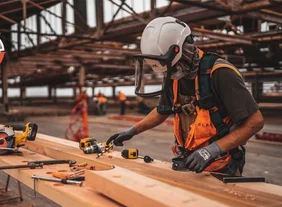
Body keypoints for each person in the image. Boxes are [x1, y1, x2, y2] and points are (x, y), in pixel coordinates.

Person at [106, 17, 264, 176]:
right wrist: (132, 131)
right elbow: (162, 110)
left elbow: (255, 122)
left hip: (221, 166)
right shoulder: (174, 73)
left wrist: (211, 150)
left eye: (171, 66)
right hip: (188, 162)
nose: (169, 72)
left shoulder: (220, 73)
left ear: (183, 51)